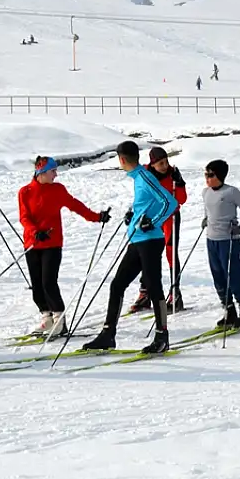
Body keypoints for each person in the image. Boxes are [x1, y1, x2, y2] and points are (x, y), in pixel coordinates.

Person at [82, 141, 180, 354]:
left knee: (154, 287)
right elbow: (147, 203)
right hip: (138, 240)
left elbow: (170, 203)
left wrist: (153, 222)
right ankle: (108, 334)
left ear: (121, 159)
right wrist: (132, 214)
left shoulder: (144, 177)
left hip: (150, 240)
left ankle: (162, 336)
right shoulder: (138, 177)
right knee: (117, 285)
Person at [18, 156, 109, 337]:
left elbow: (76, 205)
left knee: (48, 282)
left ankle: (59, 319)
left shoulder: (58, 190)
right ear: (41, 172)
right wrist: (35, 232)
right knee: (36, 284)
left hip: (52, 243)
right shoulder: (25, 192)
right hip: (33, 243)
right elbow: (24, 217)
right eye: (53, 171)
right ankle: (46, 317)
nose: (56, 174)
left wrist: (97, 217)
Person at [127, 147, 189, 313]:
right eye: (161, 163)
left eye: (166, 162)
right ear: (153, 163)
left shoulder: (173, 174)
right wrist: (132, 212)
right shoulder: (145, 174)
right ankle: (145, 292)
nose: (165, 166)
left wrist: (180, 183)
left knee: (170, 251)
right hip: (150, 218)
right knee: (148, 252)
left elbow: (181, 199)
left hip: (170, 217)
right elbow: (140, 196)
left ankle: (175, 294)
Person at [201, 159, 240, 328]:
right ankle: (229, 310)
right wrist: (206, 219)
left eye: (211, 175)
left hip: (228, 240)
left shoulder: (231, 192)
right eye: (206, 175)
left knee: (233, 274)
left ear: (220, 176)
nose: (207, 178)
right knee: (218, 275)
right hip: (212, 240)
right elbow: (208, 209)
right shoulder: (206, 192)